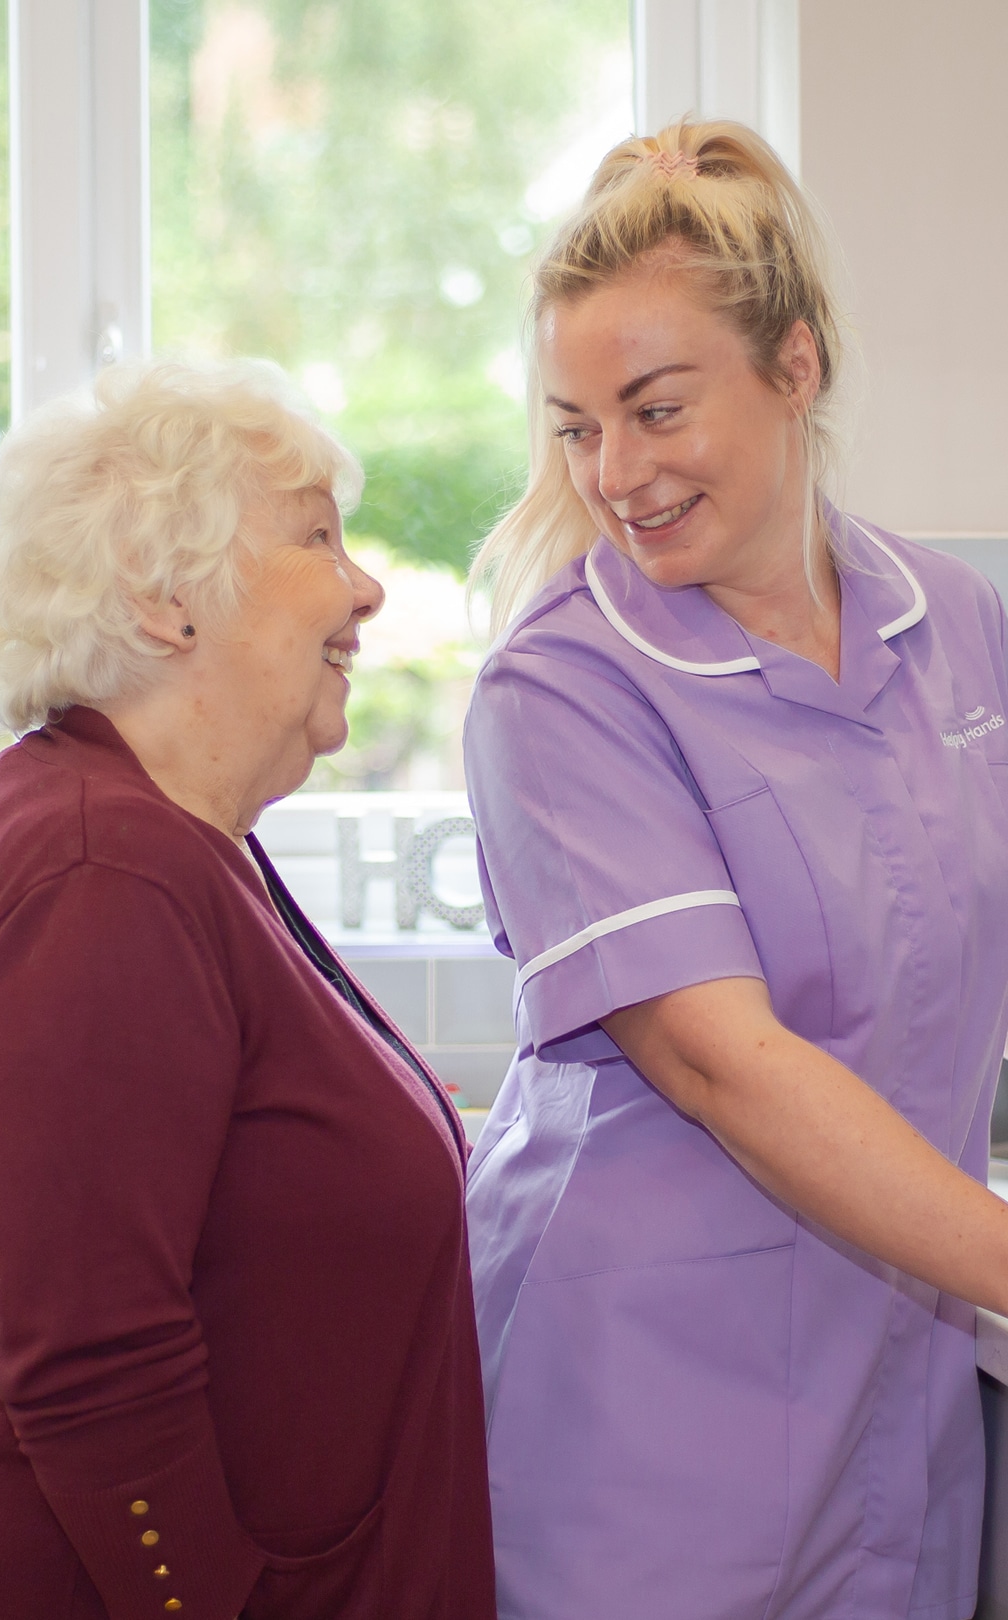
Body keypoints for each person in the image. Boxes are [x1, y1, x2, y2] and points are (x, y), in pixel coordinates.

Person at [463, 120, 1008, 1620]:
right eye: (575, 425)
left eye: (655, 410)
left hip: (894, 1394)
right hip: (645, 1424)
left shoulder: (951, 621)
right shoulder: (563, 688)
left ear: (797, 367)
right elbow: (725, 1066)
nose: (613, 473)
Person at [0, 359, 496, 1620]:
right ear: (164, 598)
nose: (365, 585)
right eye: (315, 535)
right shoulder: (101, 873)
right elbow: (91, 1363)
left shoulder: (165, 838)